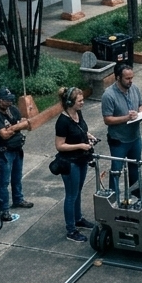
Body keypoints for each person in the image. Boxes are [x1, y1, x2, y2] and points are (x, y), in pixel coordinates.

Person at [55, 86, 97, 242]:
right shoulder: (62, 121)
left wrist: (88, 135)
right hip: (70, 162)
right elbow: (60, 145)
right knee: (71, 195)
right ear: (70, 102)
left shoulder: (77, 113)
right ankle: (71, 230)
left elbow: (80, 129)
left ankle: (78, 218)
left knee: (78, 191)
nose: (83, 103)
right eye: (80, 101)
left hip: (81, 159)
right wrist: (80, 146)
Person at [0, 87, 33, 222]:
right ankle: (4, 210)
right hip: (4, 152)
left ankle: (18, 199)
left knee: (17, 177)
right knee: (4, 182)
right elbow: (4, 135)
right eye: (7, 100)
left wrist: (12, 128)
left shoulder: (13, 110)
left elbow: (27, 124)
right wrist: (17, 127)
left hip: (17, 149)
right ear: (0, 101)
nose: (10, 102)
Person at [101, 65, 142, 198]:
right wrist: (126, 118)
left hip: (135, 138)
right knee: (116, 171)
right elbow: (107, 119)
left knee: (135, 168)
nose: (130, 81)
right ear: (118, 78)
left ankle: (137, 196)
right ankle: (113, 199)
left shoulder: (134, 88)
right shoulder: (108, 95)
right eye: (127, 78)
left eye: (131, 77)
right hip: (119, 141)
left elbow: (141, 105)